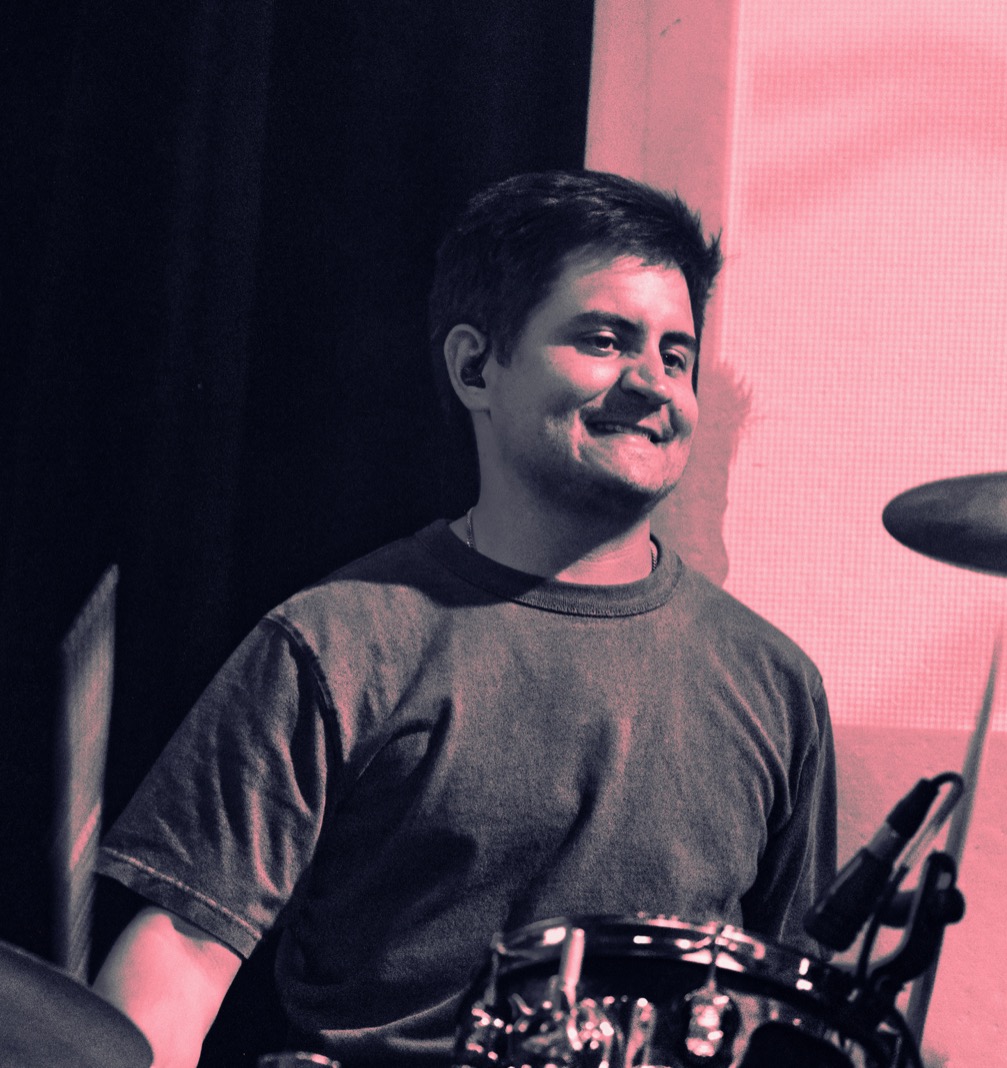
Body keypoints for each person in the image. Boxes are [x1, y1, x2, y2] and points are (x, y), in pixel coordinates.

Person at [93, 170, 838, 1068]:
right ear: (476, 368)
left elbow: (793, 1011)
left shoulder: (774, 683)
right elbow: (178, 956)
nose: (652, 383)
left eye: (676, 355)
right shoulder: (335, 642)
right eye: (605, 341)